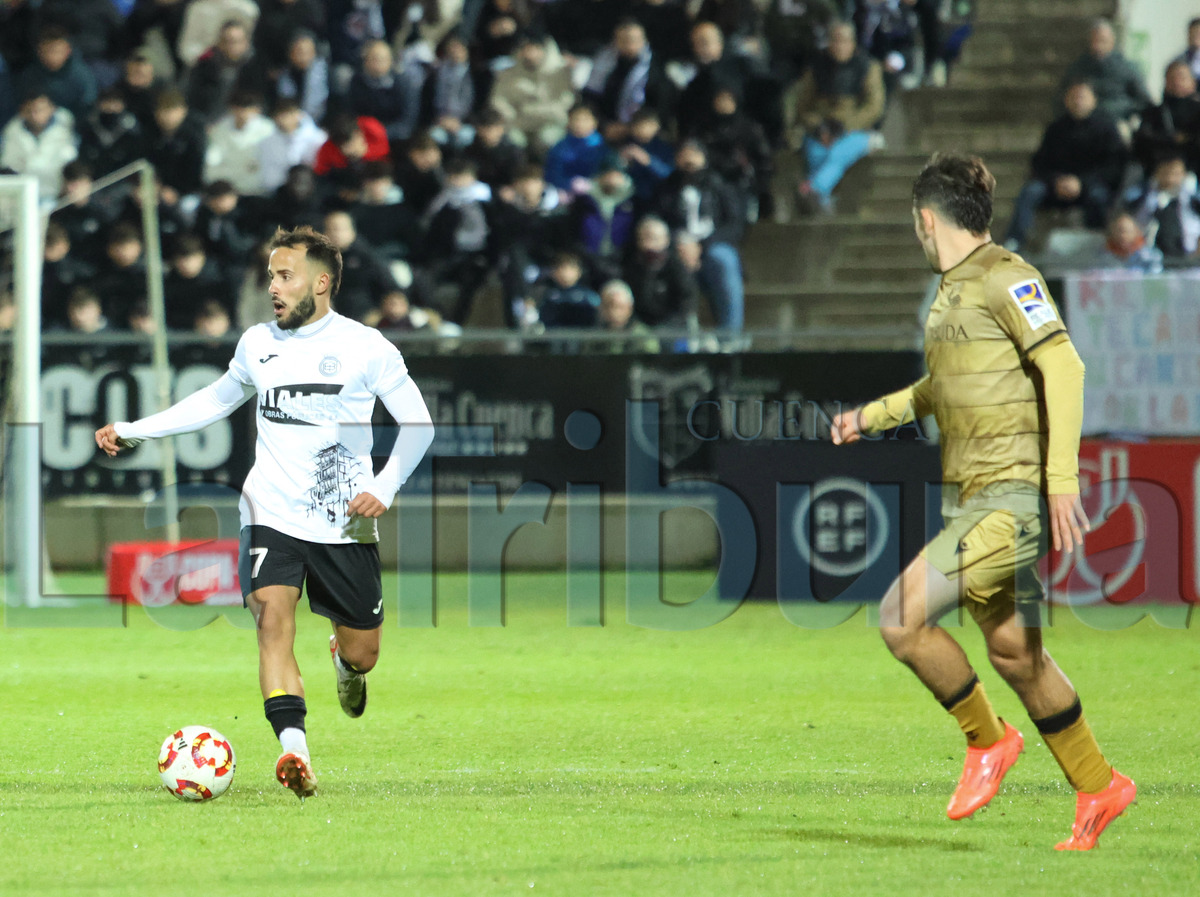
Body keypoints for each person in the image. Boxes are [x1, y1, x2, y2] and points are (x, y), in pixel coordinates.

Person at [830, 152, 1135, 851]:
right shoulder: (951, 294)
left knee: (900, 618)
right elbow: (936, 390)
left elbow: (1063, 364)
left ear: (925, 220)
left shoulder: (1008, 276)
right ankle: (1098, 784)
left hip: (1011, 499)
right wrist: (868, 416)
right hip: (971, 499)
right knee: (1015, 655)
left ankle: (988, 742)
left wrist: (1061, 480)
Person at [95, 226, 435, 801]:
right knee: (271, 623)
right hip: (268, 509)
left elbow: (419, 424)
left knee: (364, 651)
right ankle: (294, 752)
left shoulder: (368, 347)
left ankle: (345, 666)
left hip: (345, 518)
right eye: (271, 275)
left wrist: (386, 485)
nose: (273, 287)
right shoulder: (257, 342)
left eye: (286, 276)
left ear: (321, 282)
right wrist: (135, 431)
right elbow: (214, 400)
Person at [1002, 81, 1126, 252]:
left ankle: (1097, 245)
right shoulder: (1056, 129)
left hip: (1091, 186)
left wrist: (1082, 182)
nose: (1078, 101)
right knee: (1030, 191)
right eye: (1074, 97)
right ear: (1066, 100)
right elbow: (1040, 164)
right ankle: (1015, 241)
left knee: (1099, 197)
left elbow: (1113, 167)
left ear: (1094, 100)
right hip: (1057, 186)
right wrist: (1057, 180)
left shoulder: (1107, 129)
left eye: (1082, 97)